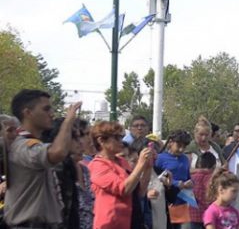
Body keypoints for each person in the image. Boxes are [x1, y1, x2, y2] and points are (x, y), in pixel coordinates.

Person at [4, 89, 81, 228]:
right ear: (28, 113)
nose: (51, 114)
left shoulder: (35, 142)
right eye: (46, 109)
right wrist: (68, 122)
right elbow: (57, 153)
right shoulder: (22, 145)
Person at [89, 120, 153, 229]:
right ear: (101, 140)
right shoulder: (97, 165)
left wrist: (148, 167)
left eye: (121, 137)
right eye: (116, 137)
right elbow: (124, 189)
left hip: (130, 221)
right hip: (110, 224)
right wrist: (140, 163)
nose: (121, 141)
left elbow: (139, 192)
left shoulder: (121, 161)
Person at [155, 130, 194, 228]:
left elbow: (187, 176)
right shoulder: (160, 158)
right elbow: (156, 178)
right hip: (167, 202)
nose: (181, 149)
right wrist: (175, 183)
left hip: (183, 202)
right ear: (171, 142)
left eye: (184, 147)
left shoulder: (185, 159)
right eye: (179, 146)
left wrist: (190, 182)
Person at [190, 152, 217, 229]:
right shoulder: (212, 179)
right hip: (208, 217)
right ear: (214, 166)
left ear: (198, 165)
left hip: (192, 216)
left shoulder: (191, 178)